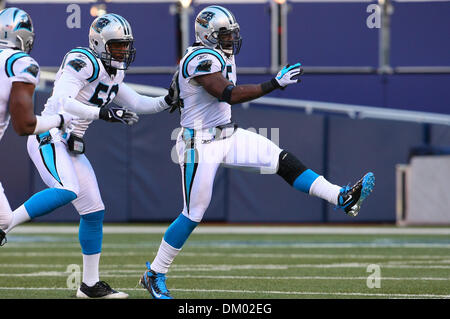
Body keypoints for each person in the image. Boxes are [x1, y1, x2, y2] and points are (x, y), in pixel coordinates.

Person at [139, 5, 375, 299]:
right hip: (197, 143)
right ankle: (155, 273)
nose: (231, 39)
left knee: (280, 159)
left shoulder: (217, 54)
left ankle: (340, 197)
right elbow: (228, 93)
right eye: (224, 34)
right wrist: (273, 84)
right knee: (194, 213)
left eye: (232, 33)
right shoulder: (199, 58)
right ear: (207, 35)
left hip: (227, 133)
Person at [1, 13, 176, 299]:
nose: (123, 51)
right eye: (117, 45)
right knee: (68, 189)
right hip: (48, 134)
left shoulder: (114, 72)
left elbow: (137, 102)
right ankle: (4, 225)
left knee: (94, 212)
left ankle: (89, 285)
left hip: (70, 142)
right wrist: (101, 113)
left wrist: (167, 100)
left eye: (125, 45)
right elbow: (63, 101)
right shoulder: (81, 60)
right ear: (98, 43)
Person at [0, 7, 74, 244]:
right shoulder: (20, 62)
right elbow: (24, 126)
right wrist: (60, 120)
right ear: (21, 37)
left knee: (3, 220)